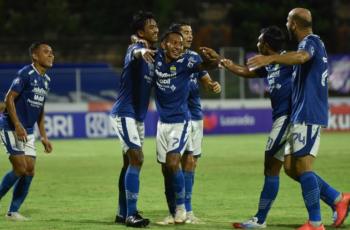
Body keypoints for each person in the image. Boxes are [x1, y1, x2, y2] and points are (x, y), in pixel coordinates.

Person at [247, 8, 350, 230]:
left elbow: (303, 57)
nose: (286, 25)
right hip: (301, 112)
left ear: (293, 24)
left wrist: (272, 57)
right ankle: (337, 198)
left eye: (287, 21)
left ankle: (315, 222)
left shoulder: (310, 42)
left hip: (309, 112)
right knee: (292, 167)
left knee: (303, 167)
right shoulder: (310, 43)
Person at [156, 23, 221, 225]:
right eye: (185, 33)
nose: (189, 37)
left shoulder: (192, 59)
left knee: (189, 161)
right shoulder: (160, 58)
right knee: (169, 166)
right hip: (166, 119)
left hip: (190, 115)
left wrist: (212, 83)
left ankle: (186, 210)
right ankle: (175, 210)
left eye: (190, 34)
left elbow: (205, 74)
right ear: (167, 42)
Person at [109, 10, 158, 228]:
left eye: (157, 26)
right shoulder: (136, 49)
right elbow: (136, 51)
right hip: (124, 113)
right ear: (140, 32)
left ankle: (122, 213)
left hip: (137, 117)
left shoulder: (152, 56)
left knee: (130, 162)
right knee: (137, 159)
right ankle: (131, 214)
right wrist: (141, 49)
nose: (156, 29)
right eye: (151, 27)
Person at [0, 42, 54, 221]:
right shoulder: (26, 73)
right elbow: (9, 98)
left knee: (29, 170)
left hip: (28, 130)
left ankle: (12, 211)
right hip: (10, 125)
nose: (51, 55)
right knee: (20, 168)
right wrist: (17, 124)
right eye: (46, 52)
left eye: (52, 53)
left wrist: (44, 136)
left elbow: (40, 108)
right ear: (35, 56)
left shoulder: (46, 80)